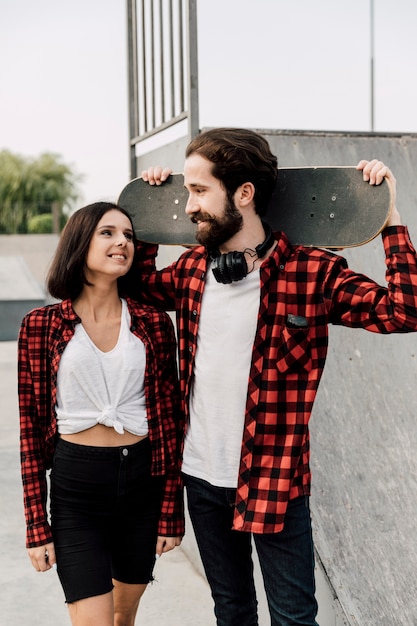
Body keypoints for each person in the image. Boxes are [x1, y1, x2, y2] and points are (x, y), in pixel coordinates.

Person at [134, 127, 417, 626]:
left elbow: (404, 311)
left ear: (244, 193)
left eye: (199, 191)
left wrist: (388, 219)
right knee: (233, 610)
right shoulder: (193, 271)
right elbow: (133, 289)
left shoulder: (311, 273)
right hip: (201, 476)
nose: (188, 206)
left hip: (276, 478)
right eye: (186, 191)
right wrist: (148, 215)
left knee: (293, 617)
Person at [18, 201, 184, 626]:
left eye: (128, 234)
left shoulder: (152, 323)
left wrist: (170, 510)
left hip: (142, 486)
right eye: (107, 233)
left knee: (122, 617)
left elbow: (169, 423)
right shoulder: (40, 325)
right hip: (78, 489)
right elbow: (30, 429)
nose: (122, 242)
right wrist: (37, 524)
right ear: (80, 243)